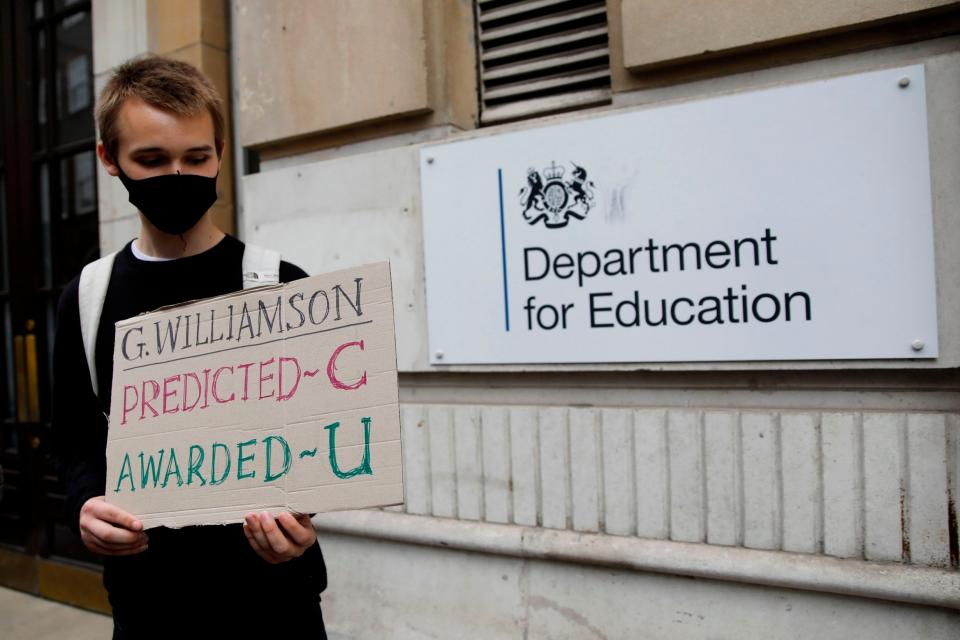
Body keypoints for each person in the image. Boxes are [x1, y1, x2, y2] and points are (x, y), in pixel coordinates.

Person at [52, 55, 327, 637]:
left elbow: (319, 443)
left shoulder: (282, 284)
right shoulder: (87, 298)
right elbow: (76, 437)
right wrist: (86, 505)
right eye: (151, 160)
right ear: (109, 159)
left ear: (220, 155)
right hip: (148, 605)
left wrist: (305, 518)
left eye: (196, 157)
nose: (178, 174)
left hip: (275, 604)